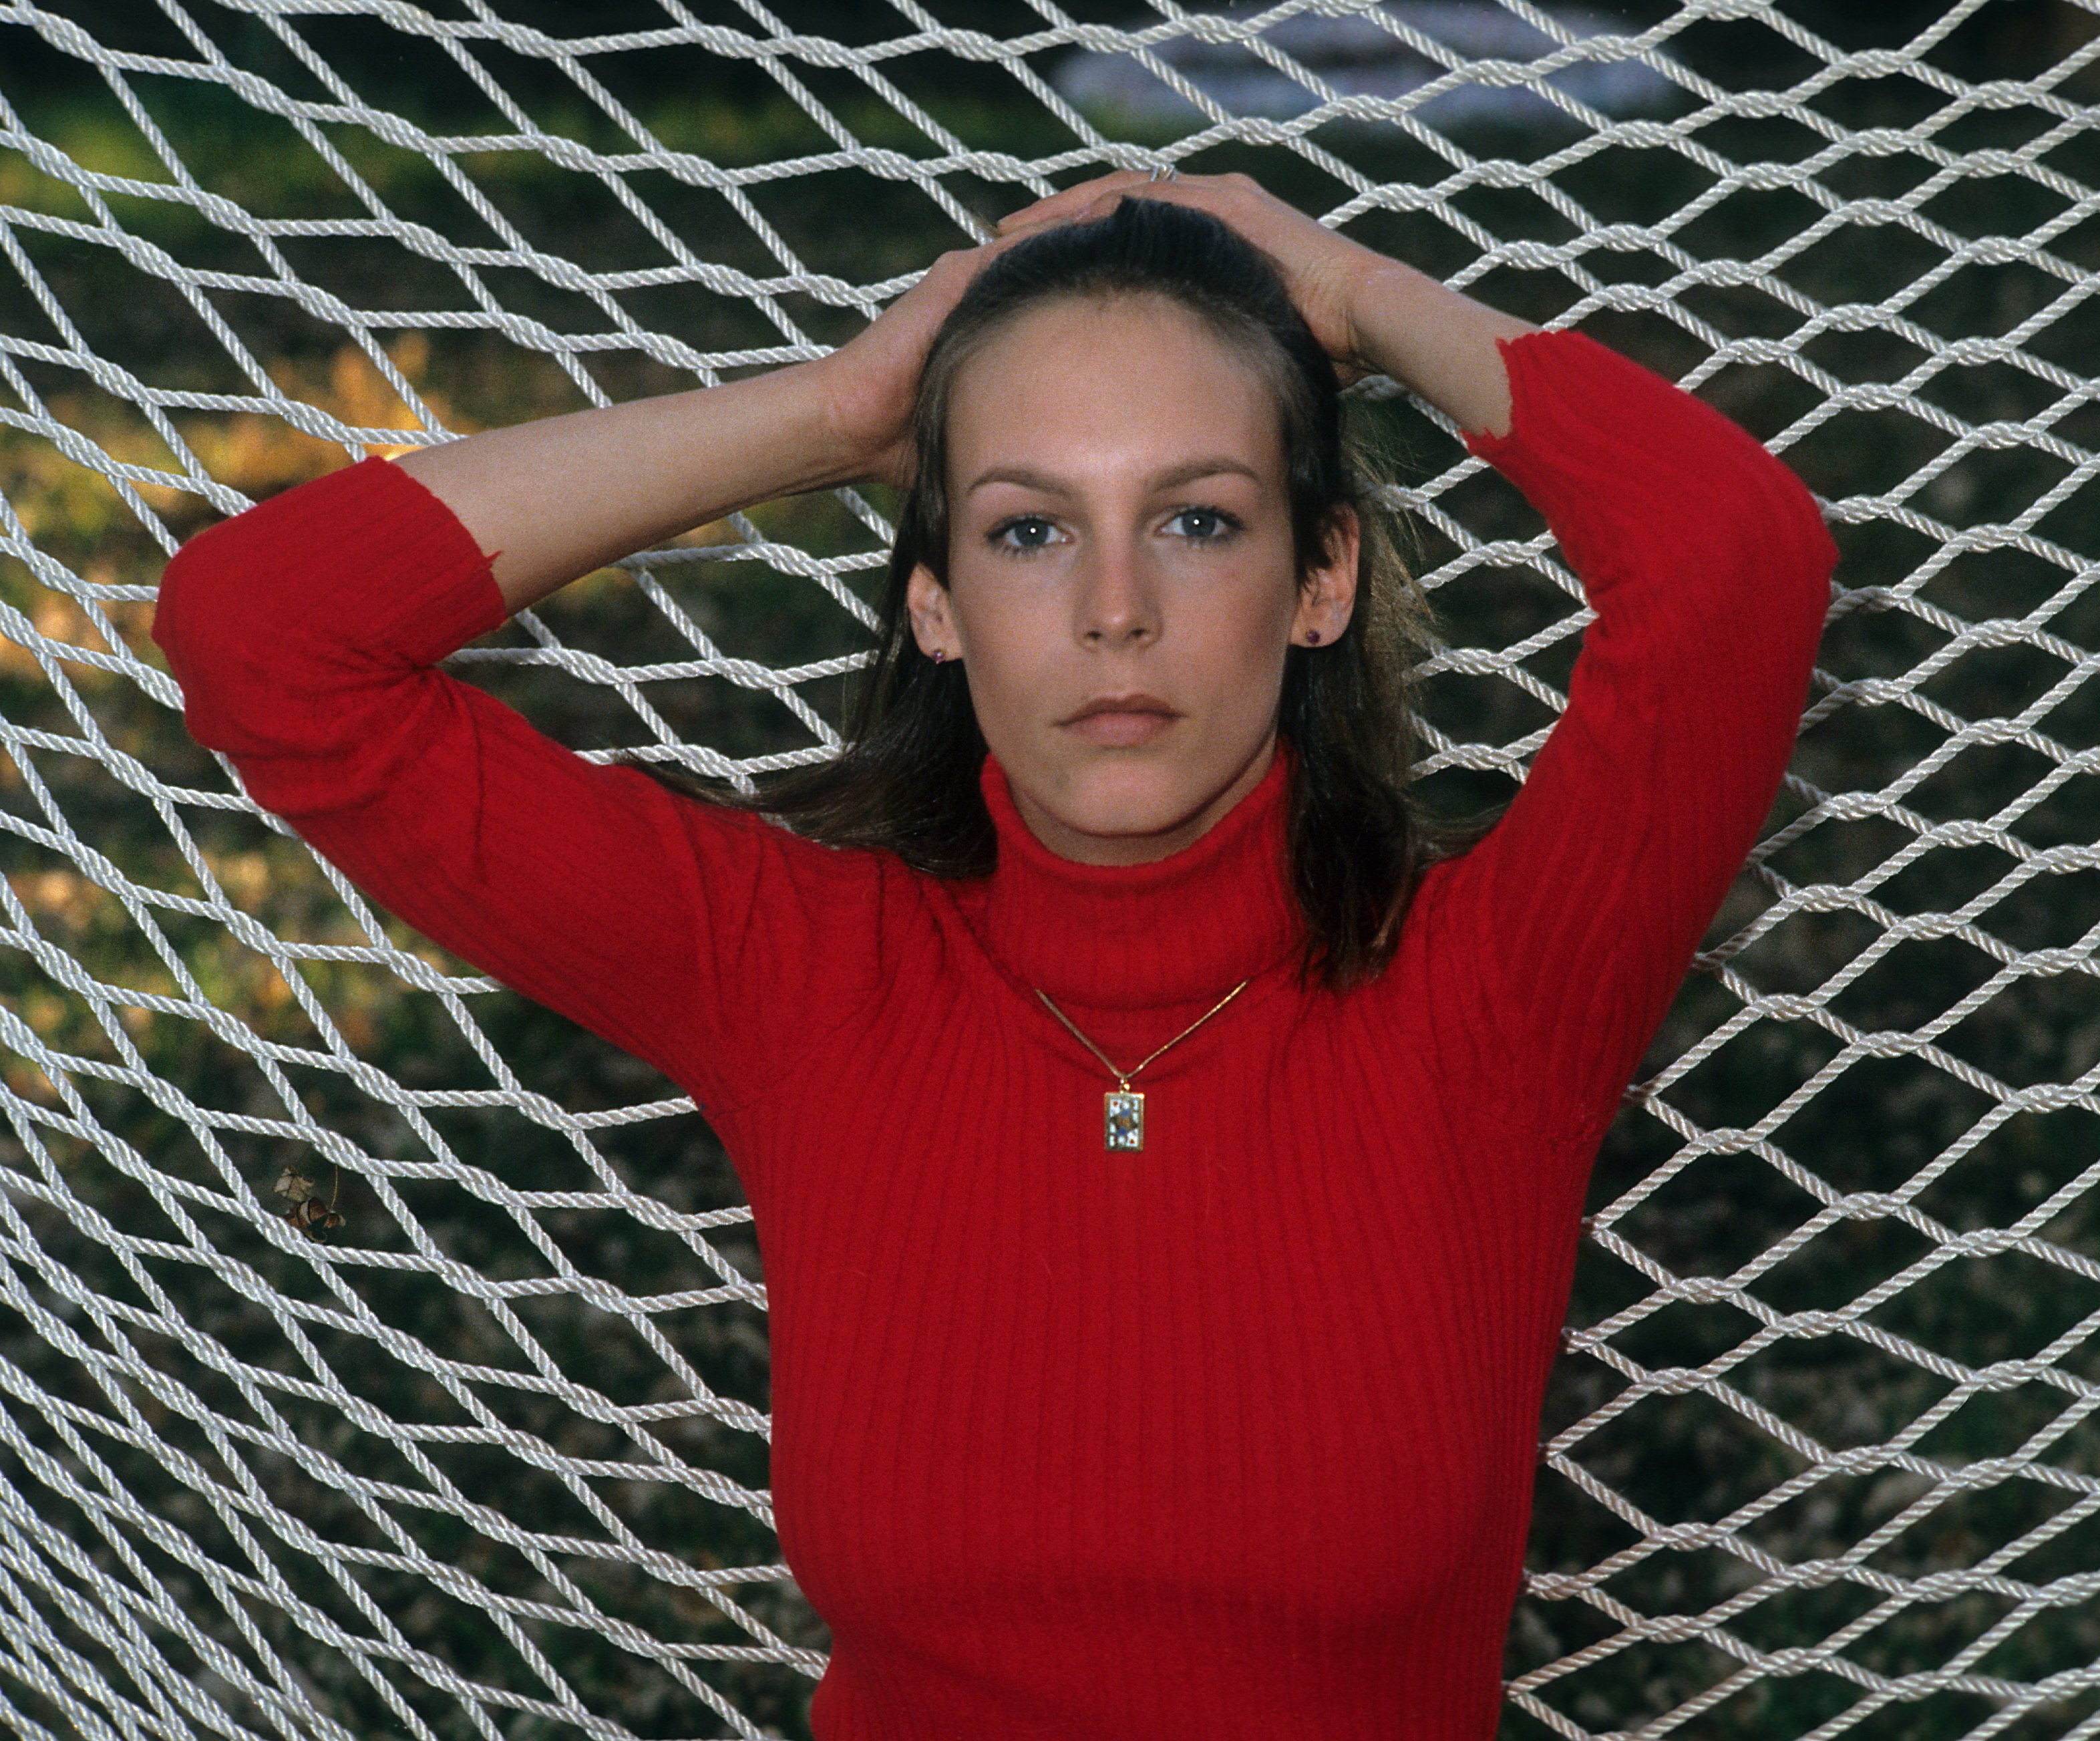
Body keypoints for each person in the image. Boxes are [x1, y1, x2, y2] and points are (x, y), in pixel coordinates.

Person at [154, 169, 1836, 1737]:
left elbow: (1734, 562)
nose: (1114, 610)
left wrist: (1346, 289)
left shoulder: (1495, 998)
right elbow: (266, 640)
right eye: (1028, 531)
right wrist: (834, 416)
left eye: (1198, 522)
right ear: (935, 603)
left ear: (1321, 579)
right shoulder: (797, 976)